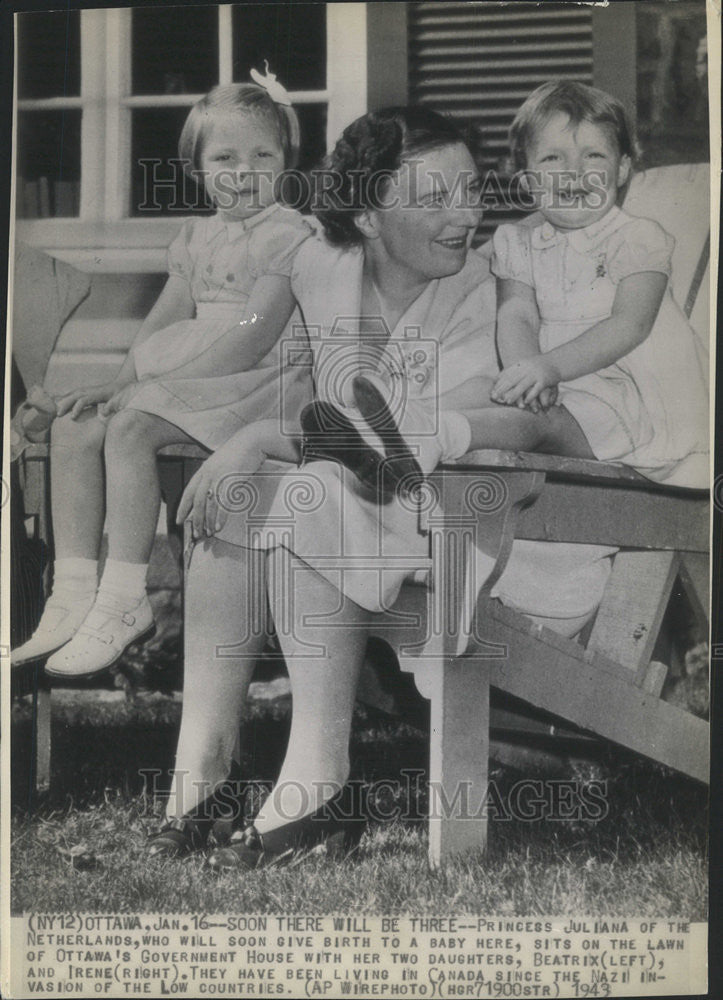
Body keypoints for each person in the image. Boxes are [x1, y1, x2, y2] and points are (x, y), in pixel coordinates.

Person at [146, 107, 614, 864]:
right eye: (433, 199)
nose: (465, 215)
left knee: (310, 490)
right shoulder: (319, 266)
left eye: (470, 192)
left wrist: (258, 437)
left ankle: (319, 779)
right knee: (244, 496)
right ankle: (201, 774)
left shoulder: (489, 292)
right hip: (395, 504)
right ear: (365, 213)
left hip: (501, 524)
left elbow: (409, 432)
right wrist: (127, 399)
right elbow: (261, 364)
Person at [12, 75, 313, 677]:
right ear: (197, 169)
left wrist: (150, 392)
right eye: (224, 157)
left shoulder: (288, 233)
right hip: (195, 374)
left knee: (130, 428)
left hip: (255, 382)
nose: (244, 171)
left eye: (263, 155)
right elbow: (164, 319)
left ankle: (125, 597)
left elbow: (253, 332)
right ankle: (72, 591)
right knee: (79, 424)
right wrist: (117, 381)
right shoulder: (197, 235)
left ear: (286, 163)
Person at [351, 80, 708, 491]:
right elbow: (516, 313)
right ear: (526, 179)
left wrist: (547, 368)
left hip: (631, 404)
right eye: (553, 158)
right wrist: (526, 371)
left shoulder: (638, 240)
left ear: (623, 168)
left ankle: (430, 439)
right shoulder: (519, 244)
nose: (574, 172)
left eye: (594, 155)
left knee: (531, 423)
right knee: (485, 388)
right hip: (556, 385)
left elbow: (631, 324)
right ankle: (387, 421)